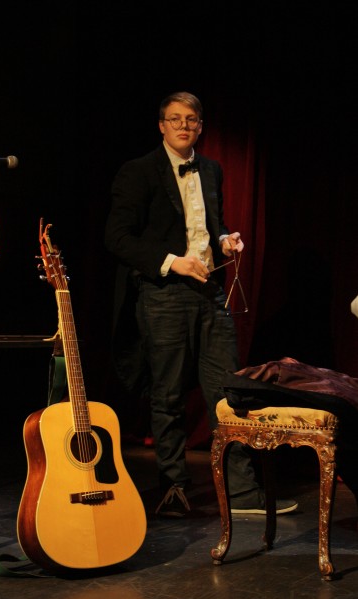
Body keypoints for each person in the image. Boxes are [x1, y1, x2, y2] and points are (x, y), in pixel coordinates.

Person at [105, 91, 297, 517]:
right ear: (161, 125)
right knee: (168, 394)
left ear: (200, 126)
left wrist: (225, 239)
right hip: (164, 294)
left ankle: (242, 494)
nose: (183, 126)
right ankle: (173, 489)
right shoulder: (138, 171)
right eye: (175, 119)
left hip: (210, 292)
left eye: (191, 119)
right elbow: (117, 238)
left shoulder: (211, 169)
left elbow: (212, 224)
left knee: (228, 394)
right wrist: (173, 262)